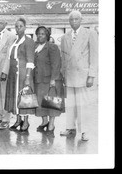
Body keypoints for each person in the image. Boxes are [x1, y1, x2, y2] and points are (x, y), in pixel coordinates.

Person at [60, 11, 98, 141]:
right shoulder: (65, 37)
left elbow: (94, 56)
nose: (74, 21)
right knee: (70, 104)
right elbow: (63, 58)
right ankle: (70, 128)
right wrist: (63, 74)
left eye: (76, 19)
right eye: (71, 19)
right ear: (69, 21)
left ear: (81, 20)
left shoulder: (90, 34)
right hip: (69, 75)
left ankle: (84, 131)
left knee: (83, 105)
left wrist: (91, 75)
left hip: (83, 75)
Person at [1, 17, 35, 133]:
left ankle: (25, 121)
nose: (18, 28)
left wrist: (27, 78)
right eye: (16, 26)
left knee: (24, 97)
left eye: (20, 26)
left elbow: (30, 60)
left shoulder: (29, 41)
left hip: (23, 74)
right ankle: (18, 120)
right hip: (13, 74)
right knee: (15, 97)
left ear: (25, 27)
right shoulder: (15, 41)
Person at [34, 26, 64, 136]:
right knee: (41, 102)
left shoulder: (52, 47)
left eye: (42, 34)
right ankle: (44, 121)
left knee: (51, 102)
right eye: (38, 34)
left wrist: (53, 79)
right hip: (39, 80)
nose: (40, 36)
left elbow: (56, 64)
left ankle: (51, 124)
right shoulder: (36, 46)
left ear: (47, 35)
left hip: (49, 80)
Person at [0, 16, 16, 130]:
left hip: (4, 69)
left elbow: (9, 55)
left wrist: (5, 71)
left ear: (6, 24)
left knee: (5, 94)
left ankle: (6, 119)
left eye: (1, 23)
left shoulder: (11, 36)